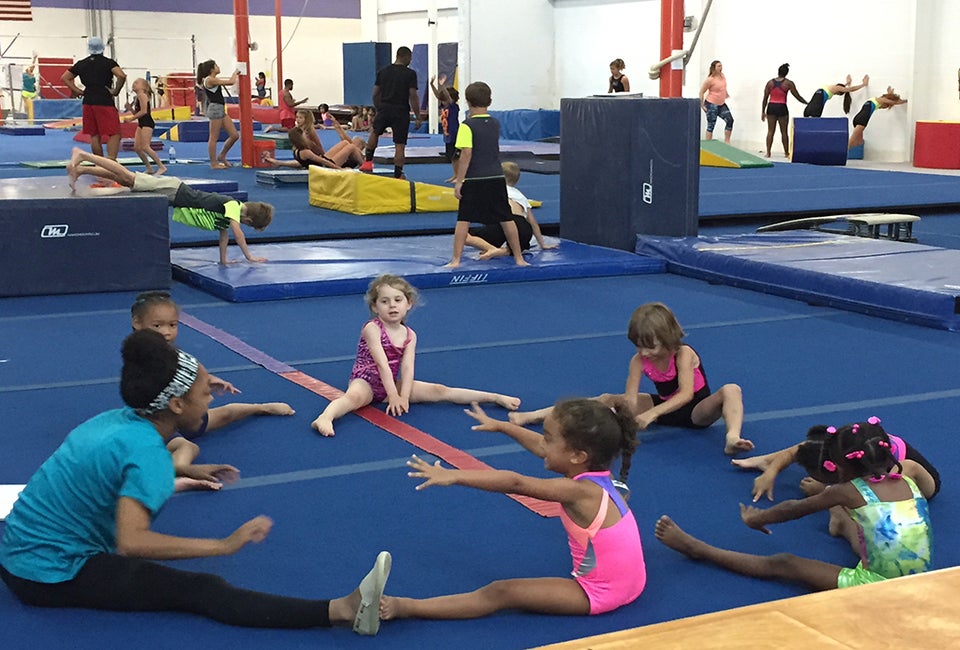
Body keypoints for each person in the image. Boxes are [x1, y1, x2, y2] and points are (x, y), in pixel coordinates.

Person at [0, 330, 392, 635]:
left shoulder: (117, 421)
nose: (209, 403)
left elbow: (110, 470)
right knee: (202, 590)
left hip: (16, 548)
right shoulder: (149, 453)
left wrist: (185, 470)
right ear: (176, 405)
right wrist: (222, 545)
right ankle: (342, 610)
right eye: (205, 395)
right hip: (45, 575)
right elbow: (132, 542)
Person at [379, 398, 646, 621]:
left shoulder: (578, 491)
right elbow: (542, 449)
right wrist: (505, 427)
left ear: (578, 456)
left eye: (549, 439)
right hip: (635, 580)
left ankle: (407, 607)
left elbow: (515, 482)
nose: (543, 445)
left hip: (600, 592)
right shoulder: (602, 477)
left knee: (501, 592)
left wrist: (455, 476)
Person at [656, 418, 933, 592]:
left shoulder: (847, 491)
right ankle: (841, 526)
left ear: (842, 466)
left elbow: (792, 509)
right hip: (920, 580)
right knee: (872, 527)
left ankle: (699, 549)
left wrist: (758, 519)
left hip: (878, 587)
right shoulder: (907, 480)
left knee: (785, 564)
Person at [510, 302, 752, 456]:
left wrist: (652, 414)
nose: (644, 353)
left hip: (696, 412)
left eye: (650, 347)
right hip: (664, 405)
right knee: (605, 399)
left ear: (668, 338)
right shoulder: (638, 360)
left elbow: (687, 394)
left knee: (731, 389)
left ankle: (732, 437)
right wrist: (626, 419)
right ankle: (533, 415)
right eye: (638, 346)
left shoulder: (684, 354)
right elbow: (631, 398)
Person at [310, 275, 521, 437]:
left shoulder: (410, 334)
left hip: (391, 382)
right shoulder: (372, 329)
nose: (392, 305)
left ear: (408, 303)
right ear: (375, 307)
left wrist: (404, 395)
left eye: (397, 300)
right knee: (353, 398)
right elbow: (382, 364)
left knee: (440, 390)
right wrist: (393, 396)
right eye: (384, 301)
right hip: (365, 380)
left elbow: (408, 368)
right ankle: (325, 417)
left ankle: (494, 397)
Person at [130, 291, 295, 491]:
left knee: (225, 413)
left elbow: (191, 372)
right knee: (188, 446)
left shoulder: (172, 351)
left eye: (173, 325)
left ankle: (260, 408)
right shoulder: (138, 354)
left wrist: (209, 381)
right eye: (157, 326)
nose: (167, 332)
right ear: (137, 323)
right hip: (160, 423)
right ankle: (179, 469)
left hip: (185, 415)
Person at [66, 147, 272, 265]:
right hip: (173, 189)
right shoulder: (232, 206)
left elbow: (224, 236)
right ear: (249, 219)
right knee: (127, 176)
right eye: (248, 225)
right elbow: (237, 234)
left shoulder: (228, 212)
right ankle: (84, 155)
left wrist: (224, 261)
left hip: (173, 193)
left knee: (128, 180)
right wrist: (250, 256)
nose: (243, 226)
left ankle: (82, 170)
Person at [733, 418, 939, 503]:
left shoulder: (869, 469)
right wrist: (771, 471)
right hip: (872, 446)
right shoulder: (841, 446)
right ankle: (766, 461)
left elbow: (870, 498)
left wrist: (824, 492)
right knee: (814, 444)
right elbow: (801, 449)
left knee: (878, 493)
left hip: (922, 480)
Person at [447, 81, 528, 269]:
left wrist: (459, 181)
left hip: (476, 178)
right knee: (506, 217)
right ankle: (518, 258)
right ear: (489, 101)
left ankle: (456, 260)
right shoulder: (495, 123)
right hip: (496, 177)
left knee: (463, 220)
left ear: (467, 102)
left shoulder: (467, 126)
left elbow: (466, 152)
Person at [463, 161, 556, 260]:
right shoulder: (521, 196)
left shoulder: (495, 189)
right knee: (519, 247)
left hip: (505, 223)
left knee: (463, 235)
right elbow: (532, 222)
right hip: (524, 228)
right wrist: (542, 244)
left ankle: (491, 249)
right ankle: (504, 251)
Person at [360, 46, 422, 179]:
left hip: (384, 107)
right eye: (410, 58)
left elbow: (375, 93)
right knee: (400, 144)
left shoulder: (383, 72)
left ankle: (367, 162)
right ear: (405, 56)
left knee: (375, 133)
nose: (410, 61)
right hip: (401, 110)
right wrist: (418, 115)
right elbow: (413, 95)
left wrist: (378, 108)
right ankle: (398, 174)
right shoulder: (410, 74)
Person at [61, 36, 126, 160]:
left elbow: (64, 77)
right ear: (102, 48)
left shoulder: (81, 64)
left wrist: (77, 90)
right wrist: (116, 91)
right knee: (114, 133)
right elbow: (121, 76)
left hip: (88, 100)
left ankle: (99, 162)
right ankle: (111, 161)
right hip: (104, 100)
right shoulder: (108, 62)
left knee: (94, 134)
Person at [263, 122, 364, 170]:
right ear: (300, 137)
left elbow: (300, 163)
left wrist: (279, 162)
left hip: (323, 162)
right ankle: (364, 166)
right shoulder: (305, 151)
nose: (306, 135)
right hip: (325, 166)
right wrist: (340, 169)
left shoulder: (296, 149)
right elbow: (323, 161)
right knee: (351, 147)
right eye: (304, 134)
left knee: (345, 143)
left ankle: (362, 159)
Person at [196, 59, 239, 169]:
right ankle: (213, 163)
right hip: (215, 109)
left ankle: (222, 155)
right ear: (211, 69)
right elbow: (230, 82)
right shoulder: (209, 80)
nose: (218, 67)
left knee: (234, 135)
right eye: (216, 65)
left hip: (220, 109)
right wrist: (236, 72)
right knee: (213, 137)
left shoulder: (213, 79)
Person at [761, 63, 807, 157]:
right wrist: (806, 103)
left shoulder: (770, 83)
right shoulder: (788, 83)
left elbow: (765, 98)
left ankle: (768, 153)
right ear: (786, 73)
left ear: (778, 71)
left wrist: (763, 111)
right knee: (784, 132)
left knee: (770, 131)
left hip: (771, 107)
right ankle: (786, 153)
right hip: (782, 107)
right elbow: (797, 96)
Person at [123, 78, 166, 175]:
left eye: (136, 83)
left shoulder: (142, 95)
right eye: (133, 82)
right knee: (137, 148)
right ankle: (149, 168)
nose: (134, 84)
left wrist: (130, 119)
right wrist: (130, 109)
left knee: (145, 147)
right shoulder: (137, 97)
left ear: (144, 86)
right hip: (141, 123)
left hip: (147, 123)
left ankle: (161, 166)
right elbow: (138, 112)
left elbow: (144, 112)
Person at [429, 74, 461, 182]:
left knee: (456, 157)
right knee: (452, 157)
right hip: (447, 135)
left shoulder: (453, 107)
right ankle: (455, 175)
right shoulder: (444, 106)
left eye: (444, 100)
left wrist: (442, 86)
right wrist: (432, 85)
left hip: (454, 134)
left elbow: (447, 97)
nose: (441, 101)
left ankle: (459, 176)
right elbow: (439, 96)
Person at [803, 74, 869, 118]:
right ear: (838, 91)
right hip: (816, 110)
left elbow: (841, 88)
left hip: (808, 109)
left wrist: (847, 83)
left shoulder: (830, 87)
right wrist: (863, 84)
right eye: (837, 94)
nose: (835, 94)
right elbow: (849, 89)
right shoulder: (835, 88)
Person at [699, 60, 734, 143]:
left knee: (730, 120)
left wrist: (726, 94)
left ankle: (727, 141)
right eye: (718, 66)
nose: (720, 68)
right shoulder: (710, 79)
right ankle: (708, 145)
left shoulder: (722, 76)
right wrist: (702, 105)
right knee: (711, 125)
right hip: (711, 104)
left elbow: (723, 87)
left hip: (721, 104)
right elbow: (701, 92)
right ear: (714, 68)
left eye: (721, 66)